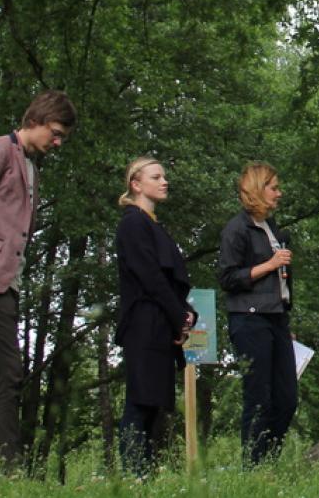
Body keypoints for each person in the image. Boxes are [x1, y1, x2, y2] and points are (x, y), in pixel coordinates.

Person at [0, 90, 77, 470]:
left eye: (62, 138)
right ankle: (9, 466)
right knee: (10, 370)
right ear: (35, 120)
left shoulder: (31, 165)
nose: (56, 143)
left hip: (5, 280)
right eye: (54, 133)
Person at [114, 157, 194, 475]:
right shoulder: (133, 223)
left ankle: (143, 475)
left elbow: (170, 281)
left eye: (165, 177)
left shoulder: (153, 223)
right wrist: (178, 315)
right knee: (141, 400)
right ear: (136, 184)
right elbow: (149, 276)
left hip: (160, 321)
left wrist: (184, 314)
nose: (165, 182)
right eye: (156, 177)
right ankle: (136, 476)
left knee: (153, 405)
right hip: (144, 322)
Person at [218, 162, 297, 464]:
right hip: (249, 319)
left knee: (287, 399)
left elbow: (282, 280)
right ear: (257, 189)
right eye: (274, 187)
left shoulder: (272, 228)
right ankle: (252, 466)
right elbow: (227, 278)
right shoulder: (236, 229)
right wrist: (269, 265)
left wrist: (283, 315)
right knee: (259, 398)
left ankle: (268, 461)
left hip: (276, 319)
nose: (279, 193)